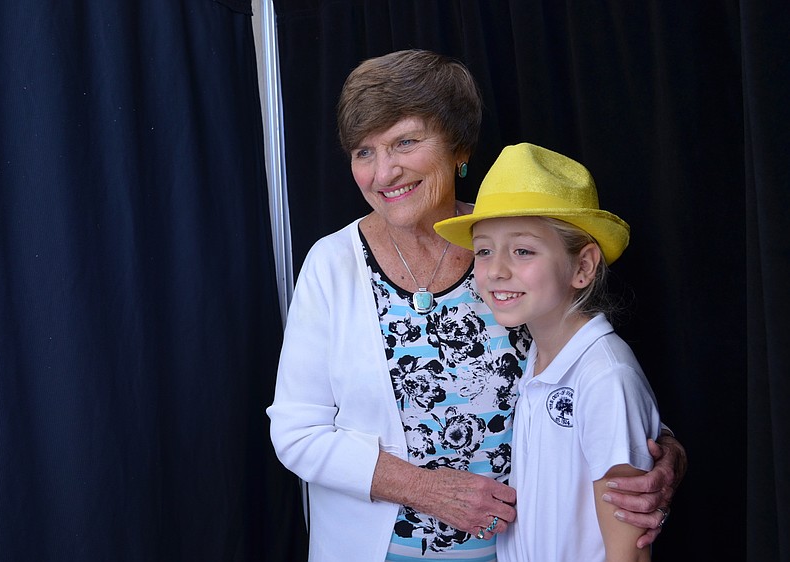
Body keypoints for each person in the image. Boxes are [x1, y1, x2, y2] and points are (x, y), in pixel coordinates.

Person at [267, 49, 685, 562]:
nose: (383, 172)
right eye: (364, 152)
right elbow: (296, 432)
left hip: (525, 548)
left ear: (458, 147)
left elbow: (584, 377)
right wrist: (423, 488)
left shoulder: (512, 249)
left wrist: (661, 455)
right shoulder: (331, 263)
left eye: (405, 142)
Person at [435, 142, 662, 561]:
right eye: (484, 250)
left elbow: (627, 553)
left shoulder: (605, 378)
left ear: (583, 267)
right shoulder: (536, 359)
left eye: (523, 250)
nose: (497, 269)